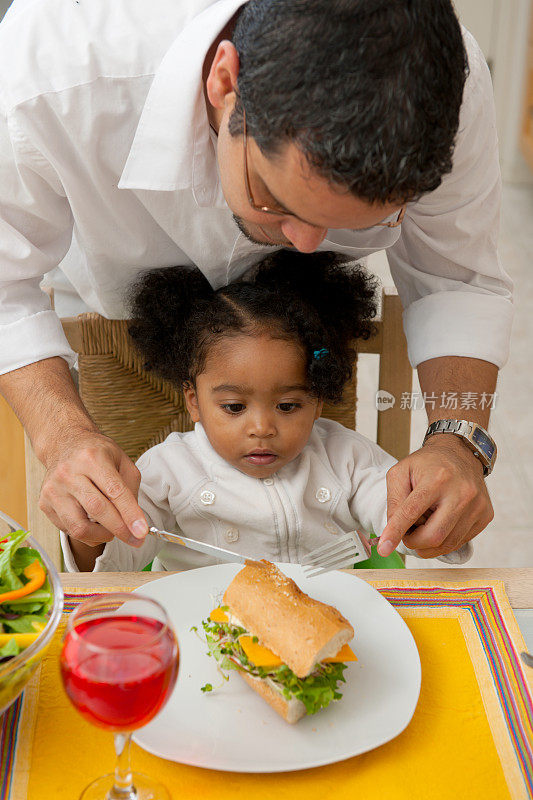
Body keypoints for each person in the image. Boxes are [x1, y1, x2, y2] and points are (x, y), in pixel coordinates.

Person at [0, 0, 511, 563]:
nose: (308, 243)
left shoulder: (441, 88)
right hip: (114, 317)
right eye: (276, 199)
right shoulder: (53, 65)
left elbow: (455, 280)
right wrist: (65, 438)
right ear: (225, 82)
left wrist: (459, 443)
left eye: (352, 222)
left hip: (307, 334)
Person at [61, 251, 470, 572]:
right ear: (193, 401)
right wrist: (91, 531)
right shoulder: (165, 472)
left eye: (288, 405)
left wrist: (421, 515)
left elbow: (393, 509)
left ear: (318, 399)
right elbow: (117, 560)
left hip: (333, 614)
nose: (261, 428)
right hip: (206, 628)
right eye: (234, 407)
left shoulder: (347, 457)